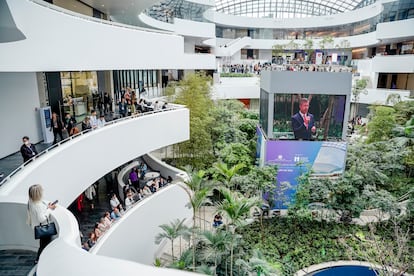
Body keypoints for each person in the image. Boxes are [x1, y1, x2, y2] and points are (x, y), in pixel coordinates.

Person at [27, 184, 57, 264]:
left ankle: (39, 259)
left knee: (43, 244)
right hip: (44, 227)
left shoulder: (31, 202)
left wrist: (46, 207)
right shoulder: (38, 205)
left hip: (38, 226)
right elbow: (41, 218)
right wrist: (49, 210)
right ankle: (39, 260)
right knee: (45, 245)